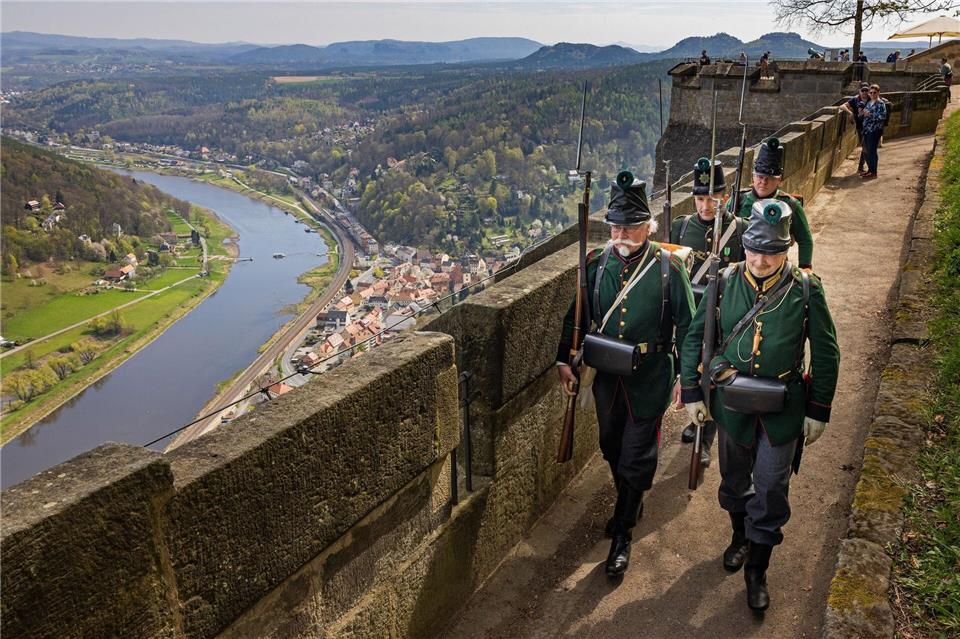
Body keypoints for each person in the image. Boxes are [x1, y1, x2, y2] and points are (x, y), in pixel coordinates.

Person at [679, 199, 840, 612]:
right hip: (733, 407)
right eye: (754, 249)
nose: (760, 259)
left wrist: (818, 409)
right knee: (734, 481)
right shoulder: (725, 280)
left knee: (770, 488)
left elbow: (825, 351)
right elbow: (697, 337)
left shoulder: (806, 288)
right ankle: (739, 538)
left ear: (786, 250)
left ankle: (758, 569)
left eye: (771, 251)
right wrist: (694, 391)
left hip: (783, 410)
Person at [556, 171, 695, 577]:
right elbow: (575, 317)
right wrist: (564, 358)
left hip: (650, 377)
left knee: (636, 457)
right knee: (610, 447)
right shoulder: (596, 264)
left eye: (631, 226)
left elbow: (687, 327)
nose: (622, 233)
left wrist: (688, 380)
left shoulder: (669, 269)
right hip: (607, 382)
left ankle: (624, 532)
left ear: (647, 226)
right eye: (616, 225)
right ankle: (630, 500)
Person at [671, 157, 746, 457]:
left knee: (713, 375)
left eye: (713, 199)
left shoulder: (740, 230)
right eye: (700, 199)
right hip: (690, 316)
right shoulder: (680, 227)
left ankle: (705, 436)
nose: (706, 206)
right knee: (689, 371)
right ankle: (695, 417)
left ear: (725, 197)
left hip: (724, 316)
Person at [727, 138, 815, 271]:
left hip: (772, 266)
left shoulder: (789, 205)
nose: (764, 181)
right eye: (760, 176)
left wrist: (805, 267)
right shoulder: (739, 199)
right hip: (739, 264)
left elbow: (805, 240)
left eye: (770, 178)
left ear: (779, 179)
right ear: (753, 177)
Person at [840, 83, 870, 173]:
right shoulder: (855, 100)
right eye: (863, 90)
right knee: (865, 146)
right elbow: (842, 106)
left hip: (871, 126)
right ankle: (862, 167)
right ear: (859, 91)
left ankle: (862, 167)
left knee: (867, 146)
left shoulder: (872, 98)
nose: (864, 92)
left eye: (866, 90)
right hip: (860, 127)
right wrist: (850, 113)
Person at [859, 84, 886, 179]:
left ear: (878, 92)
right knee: (866, 150)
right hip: (866, 130)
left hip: (874, 130)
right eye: (871, 93)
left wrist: (869, 114)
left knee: (872, 151)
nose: (872, 94)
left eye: (874, 92)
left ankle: (874, 172)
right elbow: (864, 114)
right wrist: (862, 113)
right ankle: (870, 170)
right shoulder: (869, 102)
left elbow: (882, 117)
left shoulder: (880, 103)